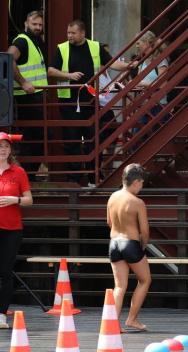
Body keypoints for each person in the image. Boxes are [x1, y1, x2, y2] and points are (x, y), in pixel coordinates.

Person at [47, 20, 133, 187]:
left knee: (94, 139)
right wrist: (69, 76)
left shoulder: (95, 47)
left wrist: (128, 66)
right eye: (68, 33)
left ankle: (94, 176)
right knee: (71, 139)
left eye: (73, 33)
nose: (69, 36)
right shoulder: (62, 48)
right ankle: (75, 179)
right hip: (69, 102)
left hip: (91, 101)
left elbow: (112, 63)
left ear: (82, 33)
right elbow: (51, 71)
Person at [106, 163, 151, 332]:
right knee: (145, 280)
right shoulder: (137, 202)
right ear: (137, 181)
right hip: (130, 243)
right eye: (142, 183)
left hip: (114, 243)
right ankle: (132, 319)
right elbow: (145, 231)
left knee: (119, 286)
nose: (142, 186)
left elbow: (109, 222)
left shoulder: (112, 197)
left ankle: (112, 324)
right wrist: (143, 246)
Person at [8, 11, 47, 175]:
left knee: (37, 138)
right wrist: (23, 82)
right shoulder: (22, 41)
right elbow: (8, 59)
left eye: (40, 25)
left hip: (35, 97)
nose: (38, 27)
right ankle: (27, 176)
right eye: (34, 24)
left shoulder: (34, 41)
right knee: (33, 139)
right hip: (27, 99)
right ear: (26, 24)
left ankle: (28, 175)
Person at [0, 133, 31, 330]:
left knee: (5, 271)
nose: (2, 150)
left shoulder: (18, 172)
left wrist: (15, 200)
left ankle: (2, 313)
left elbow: (29, 200)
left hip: (11, 229)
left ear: (10, 150)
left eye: (5, 146)